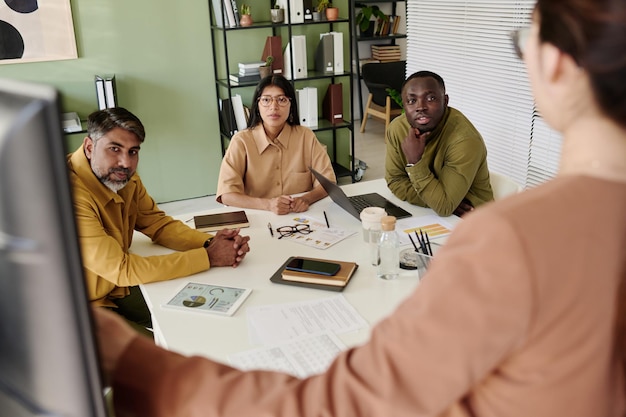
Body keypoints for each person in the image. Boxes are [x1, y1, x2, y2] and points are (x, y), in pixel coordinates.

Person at [94, 0, 626, 415]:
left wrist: (135, 364)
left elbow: (345, 403)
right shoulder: (244, 141)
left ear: (554, 62)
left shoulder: (512, 241)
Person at [67, 107, 250, 329]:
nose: (125, 162)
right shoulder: (68, 195)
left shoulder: (122, 178)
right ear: (89, 147)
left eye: (133, 151)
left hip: (114, 287)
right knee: (164, 355)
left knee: (196, 322)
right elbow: (123, 269)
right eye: (114, 149)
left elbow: (157, 224)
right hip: (77, 306)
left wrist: (210, 242)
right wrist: (209, 257)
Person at [216, 75, 336, 215]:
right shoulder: (241, 141)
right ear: (257, 106)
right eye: (266, 100)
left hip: (301, 218)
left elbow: (328, 183)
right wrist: (268, 205)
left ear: (291, 105)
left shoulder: (306, 136)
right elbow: (226, 195)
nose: (274, 107)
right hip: (258, 217)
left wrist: (306, 199)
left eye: (282, 100)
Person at [385, 70, 494, 217]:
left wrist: (415, 163)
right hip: (432, 214)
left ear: (445, 100)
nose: (420, 107)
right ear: (404, 105)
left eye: (430, 98)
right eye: (412, 101)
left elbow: (444, 207)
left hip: (473, 220)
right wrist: (436, 202)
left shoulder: (465, 140)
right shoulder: (398, 128)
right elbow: (395, 181)